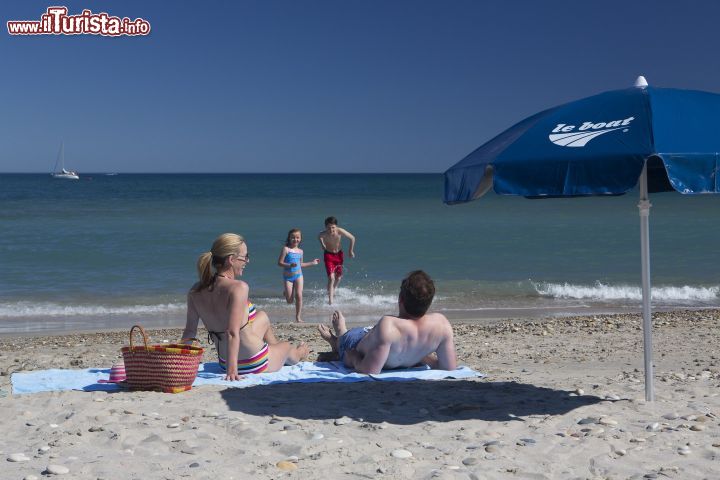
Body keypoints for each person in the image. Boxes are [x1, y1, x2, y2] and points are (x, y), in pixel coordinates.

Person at [182, 233, 309, 381]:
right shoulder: (238, 288)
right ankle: (301, 352)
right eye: (244, 257)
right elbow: (232, 332)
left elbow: (190, 332)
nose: (247, 261)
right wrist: (232, 371)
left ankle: (274, 348)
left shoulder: (195, 291)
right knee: (287, 347)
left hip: (224, 361)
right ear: (231, 259)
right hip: (254, 362)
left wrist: (180, 364)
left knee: (262, 316)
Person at [317, 270, 456, 374]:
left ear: (400, 299)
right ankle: (337, 339)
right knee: (368, 333)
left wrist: (354, 358)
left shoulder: (389, 325)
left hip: (356, 344)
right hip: (383, 344)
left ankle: (339, 336)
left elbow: (369, 371)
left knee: (347, 342)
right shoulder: (441, 324)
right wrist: (418, 355)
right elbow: (449, 367)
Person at [277, 228, 320, 323]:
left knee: (299, 295)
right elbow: (279, 263)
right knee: (289, 301)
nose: (295, 239)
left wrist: (312, 263)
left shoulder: (301, 251)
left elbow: (301, 264)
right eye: (293, 237)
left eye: (297, 237)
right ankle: (286, 293)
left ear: (300, 239)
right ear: (289, 238)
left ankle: (298, 317)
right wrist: (289, 265)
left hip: (298, 276)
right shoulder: (286, 249)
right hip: (288, 278)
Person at [317, 216, 356, 305]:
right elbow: (319, 236)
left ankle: (332, 290)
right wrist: (322, 244)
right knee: (331, 278)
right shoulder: (323, 234)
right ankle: (330, 301)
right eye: (329, 228)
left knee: (338, 277)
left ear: (336, 226)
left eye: (333, 227)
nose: (331, 230)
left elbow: (352, 238)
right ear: (325, 227)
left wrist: (350, 251)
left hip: (339, 255)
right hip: (328, 255)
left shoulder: (340, 231)